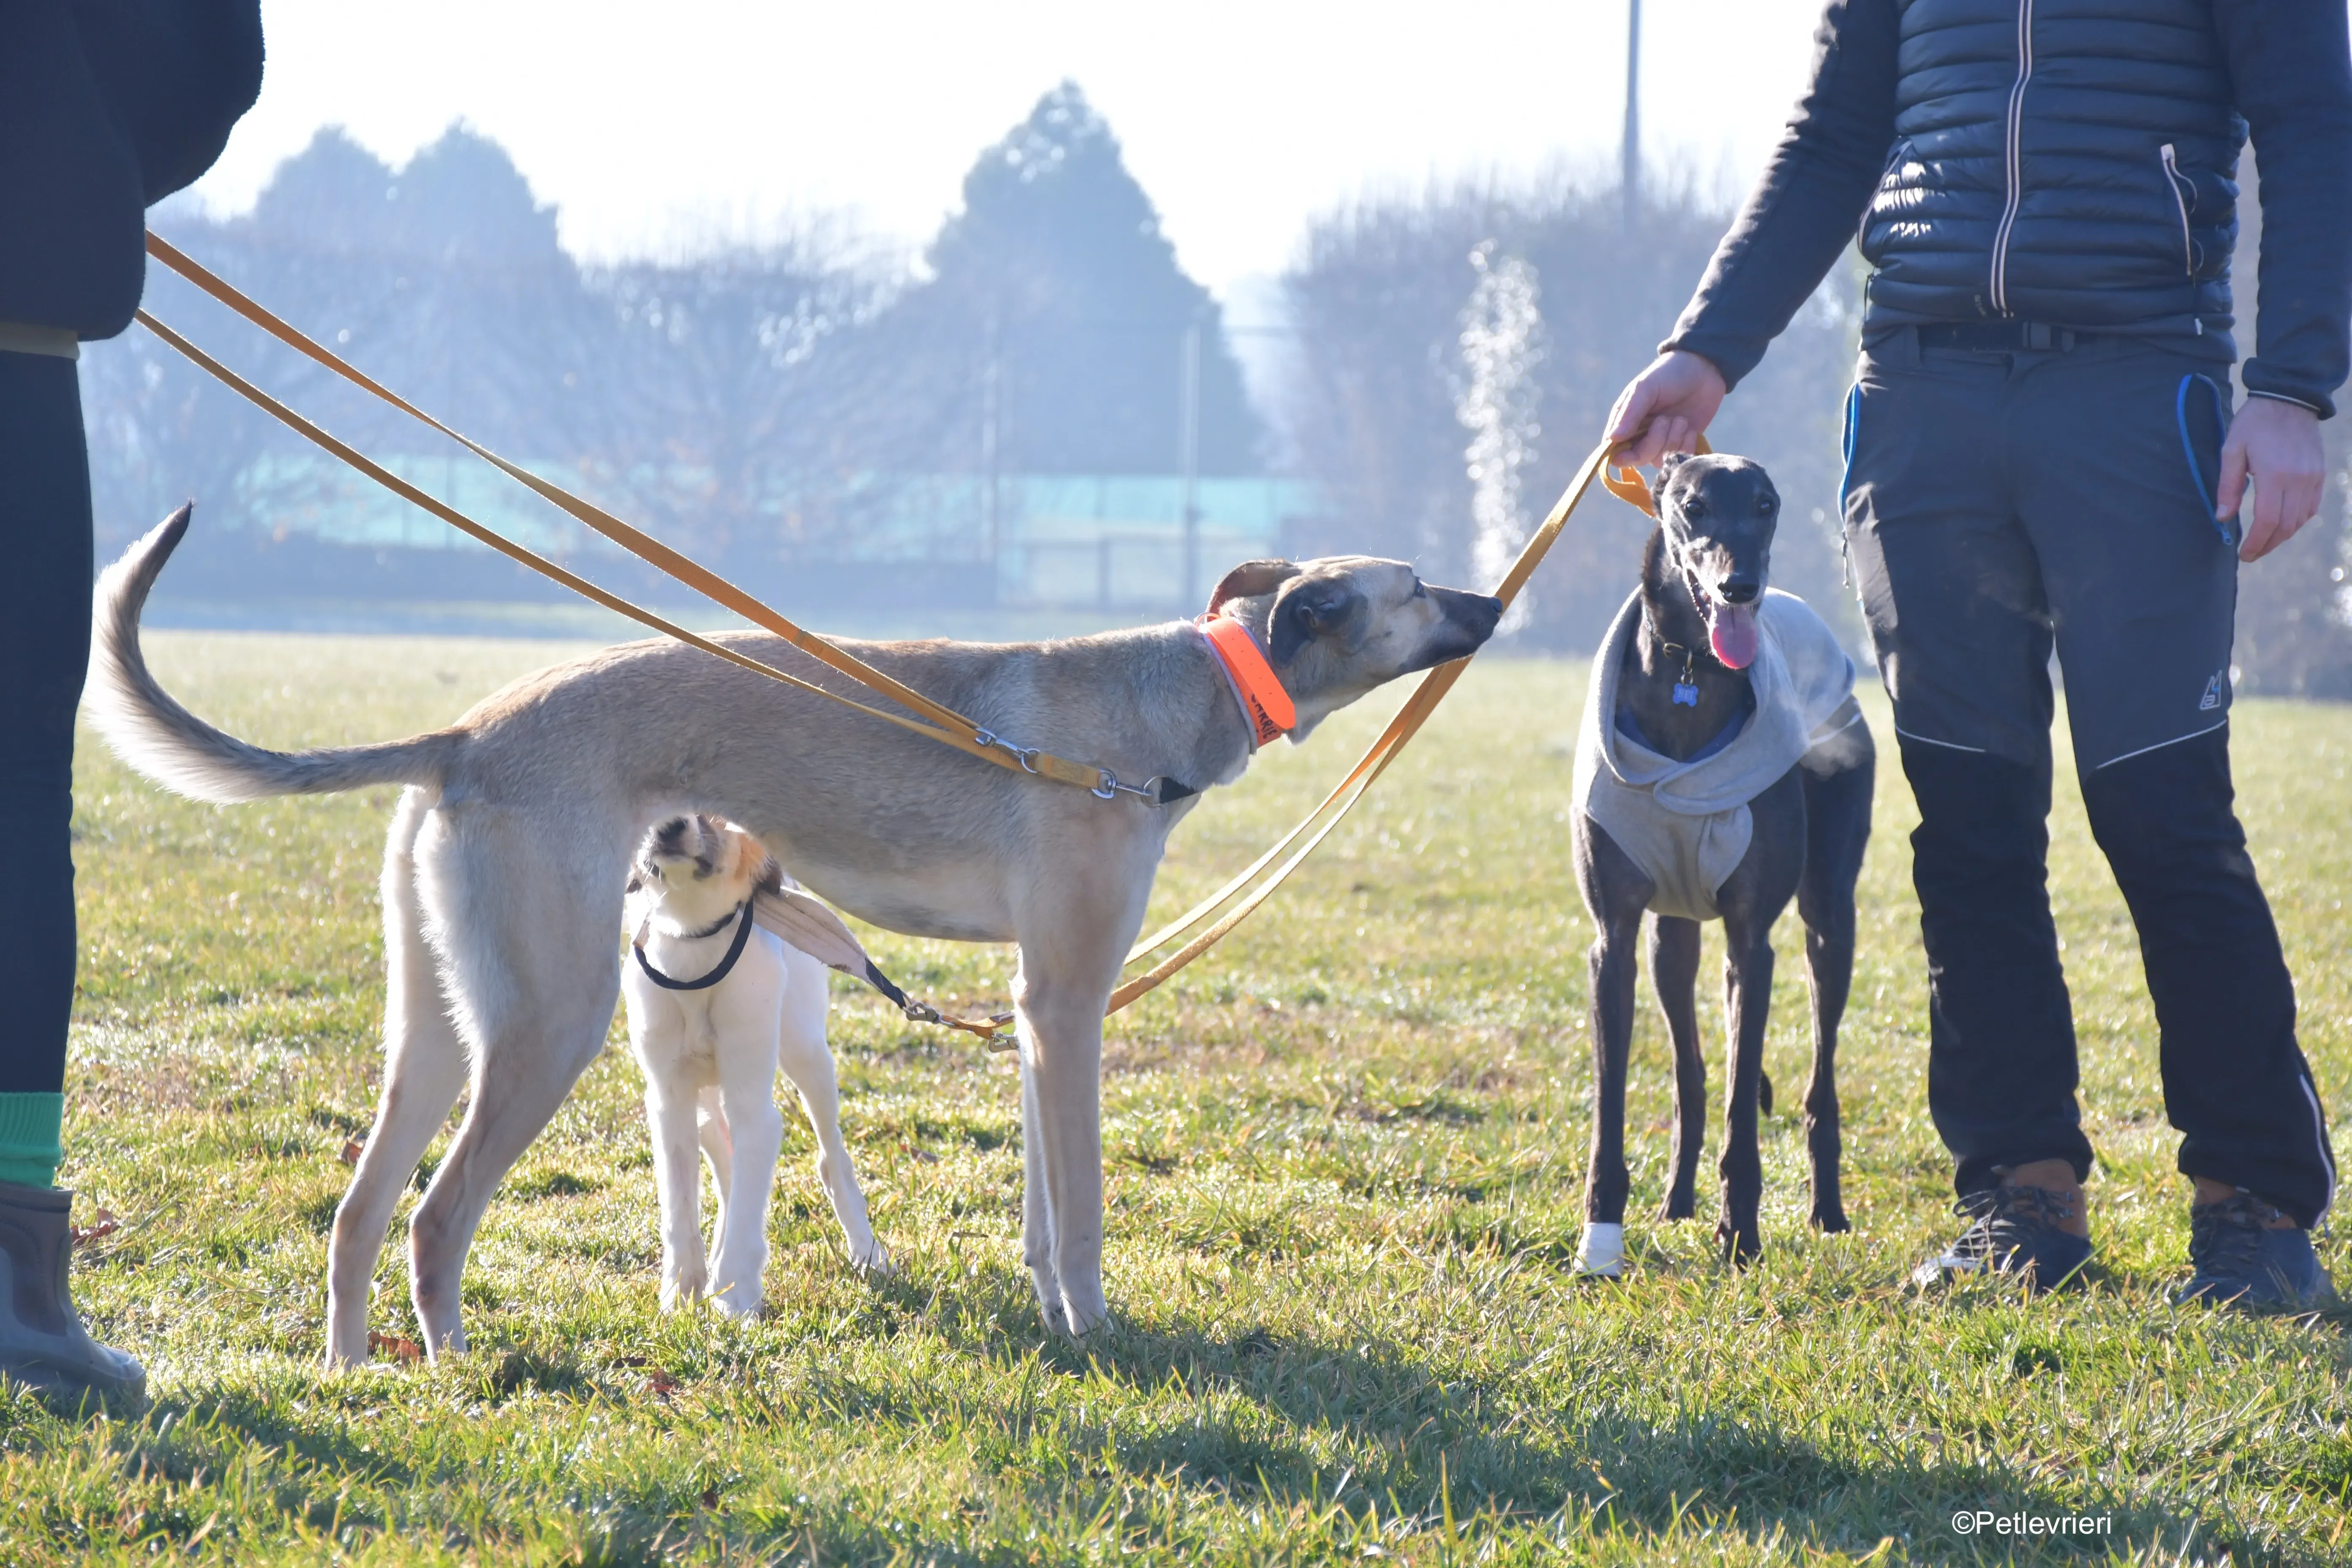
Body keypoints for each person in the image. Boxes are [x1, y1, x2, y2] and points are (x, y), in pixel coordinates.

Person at [1606, 0, 2349, 1307]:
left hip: (2139, 386)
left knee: (2164, 810)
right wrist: (1706, 345)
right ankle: (2022, 1200)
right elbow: (1836, 133)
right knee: (1970, 817)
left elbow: (2311, 125)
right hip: (1921, 401)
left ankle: (2257, 1212)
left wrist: (2291, 390)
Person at [0, 0, 264, 1403]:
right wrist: (66, 159)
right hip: (16, 359)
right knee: (17, 805)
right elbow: (212, 62)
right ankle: (14, 1280)